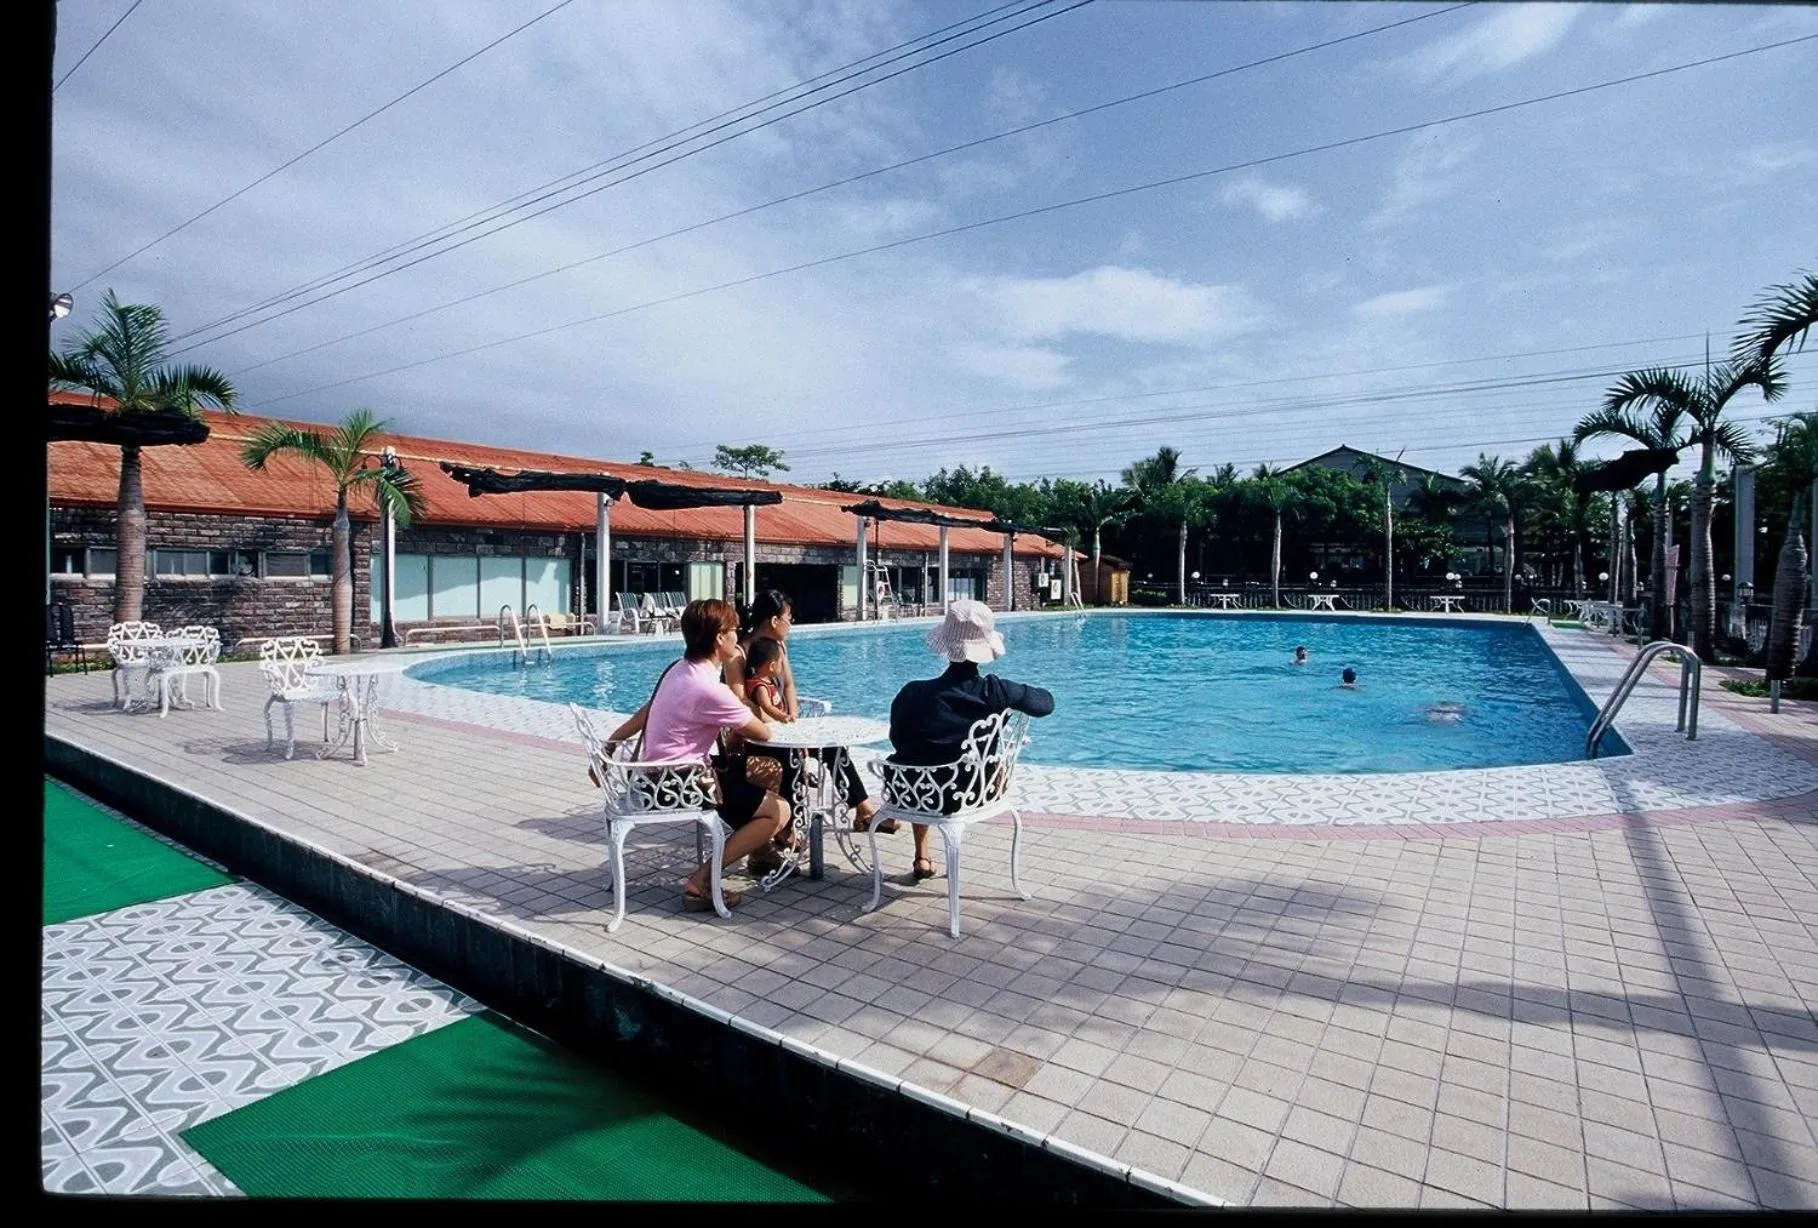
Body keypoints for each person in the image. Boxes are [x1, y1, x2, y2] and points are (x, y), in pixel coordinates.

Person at [606, 598, 789, 913]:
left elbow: (649, 711)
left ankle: (760, 851)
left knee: (765, 770)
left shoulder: (677, 670)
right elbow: (763, 732)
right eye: (734, 630)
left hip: (652, 778)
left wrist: (612, 741)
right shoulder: (710, 689)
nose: (739, 636)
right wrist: (739, 703)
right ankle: (701, 881)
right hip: (680, 783)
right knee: (780, 811)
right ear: (719, 638)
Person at [886, 600, 1055, 881]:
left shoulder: (912, 692)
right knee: (956, 765)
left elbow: (897, 740)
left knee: (918, 760)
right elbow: (1045, 704)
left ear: (947, 648)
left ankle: (921, 856)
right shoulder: (994, 691)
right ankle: (923, 856)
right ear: (983, 650)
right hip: (970, 792)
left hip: (911, 792)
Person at [726, 589, 897, 837]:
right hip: (753, 735)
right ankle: (788, 829)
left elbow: (789, 685)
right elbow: (739, 701)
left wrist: (793, 717)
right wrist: (774, 724)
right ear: (774, 621)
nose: (790, 625)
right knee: (788, 756)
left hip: (783, 727)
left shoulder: (778, 647)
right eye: (789, 619)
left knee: (833, 748)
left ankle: (863, 810)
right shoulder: (738, 655)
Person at [742, 635, 793, 724]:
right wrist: (783, 717)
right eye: (780, 663)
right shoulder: (761, 686)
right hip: (769, 723)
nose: (781, 667)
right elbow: (767, 706)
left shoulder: (767, 680)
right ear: (772, 666)